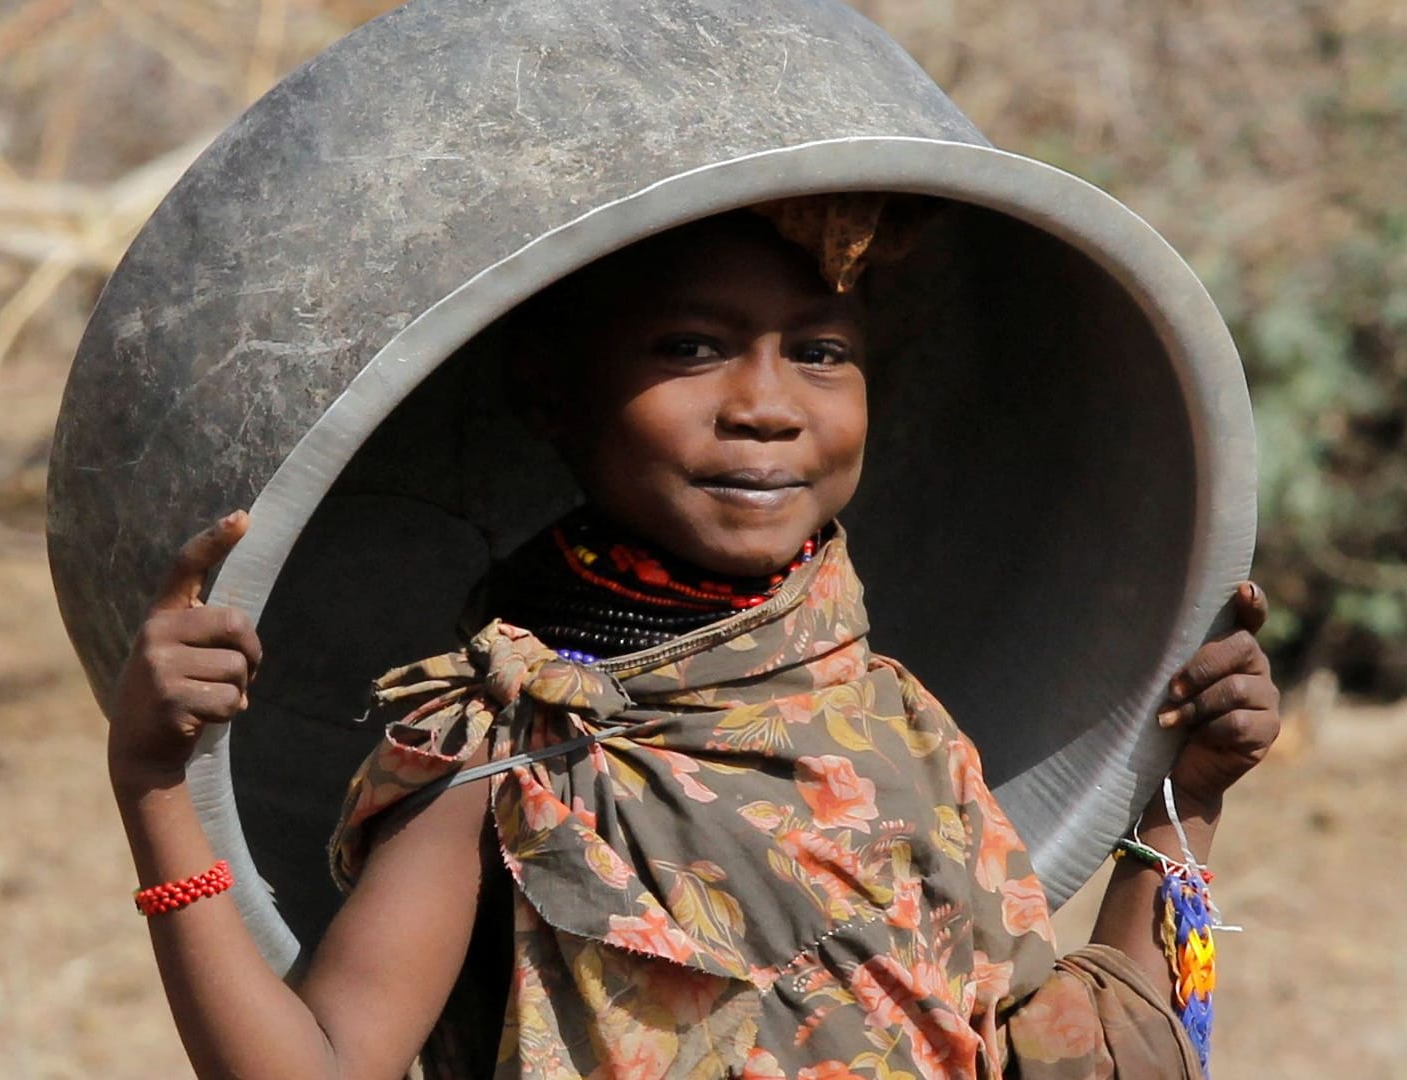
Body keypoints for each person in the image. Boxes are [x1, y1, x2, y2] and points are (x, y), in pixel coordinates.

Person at [105, 204, 1281, 1079]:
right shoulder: (516, 750)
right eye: (689, 349)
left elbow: (1073, 1058)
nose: (767, 404)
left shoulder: (894, 719)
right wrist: (159, 790)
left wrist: (1186, 807)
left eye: (820, 352)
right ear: (554, 391)